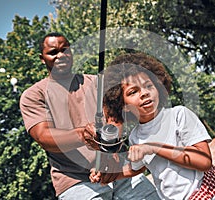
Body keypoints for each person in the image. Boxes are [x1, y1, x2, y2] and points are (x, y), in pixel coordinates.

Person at [19, 32, 160, 199]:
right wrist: (83, 135)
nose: (60, 55)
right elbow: (43, 136)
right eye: (53, 52)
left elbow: (114, 117)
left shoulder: (96, 83)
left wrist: (110, 153)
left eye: (65, 50)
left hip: (120, 169)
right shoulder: (33, 95)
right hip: (75, 181)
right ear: (42, 58)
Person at [90, 53, 215, 200]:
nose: (144, 93)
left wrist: (154, 147)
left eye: (148, 86)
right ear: (122, 105)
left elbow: (204, 161)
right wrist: (111, 175)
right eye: (133, 92)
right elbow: (139, 167)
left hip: (209, 193)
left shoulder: (179, 116)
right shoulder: (135, 136)